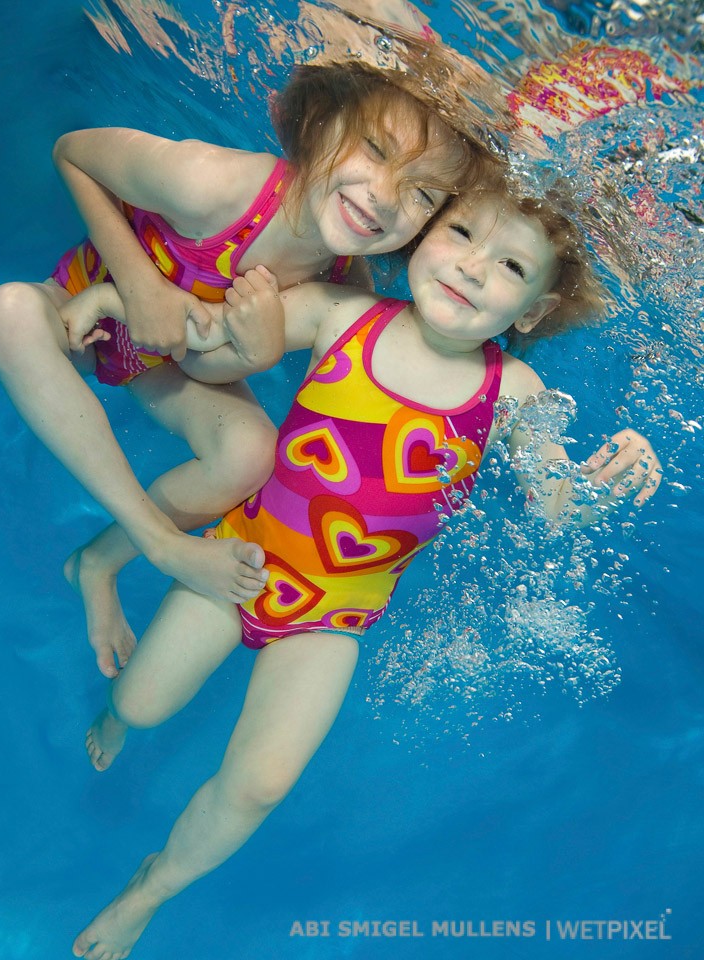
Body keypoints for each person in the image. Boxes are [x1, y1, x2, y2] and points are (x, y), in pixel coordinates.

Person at [70, 182, 661, 959]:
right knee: (142, 704)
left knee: (261, 785)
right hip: (240, 560)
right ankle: (118, 716)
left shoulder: (515, 392)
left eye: (512, 265)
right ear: (422, 235)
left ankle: (151, 888)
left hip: (334, 618)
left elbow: (553, 505)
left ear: (533, 312)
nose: (473, 267)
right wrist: (158, 306)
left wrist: (595, 492)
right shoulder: (340, 315)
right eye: (459, 232)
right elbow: (203, 347)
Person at [0, 58, 499, 678]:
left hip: (165, 362)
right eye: (374, 148)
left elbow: (201, 358)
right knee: (6, 311)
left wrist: (255, 354)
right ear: (323, 123)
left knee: (252, 451)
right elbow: (71, 153)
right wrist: (138, 286)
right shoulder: (212, 183)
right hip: (77, 316)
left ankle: (96, 562)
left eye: (421, 193)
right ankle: (158, 543)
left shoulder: (341, 281)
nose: (384, 196)